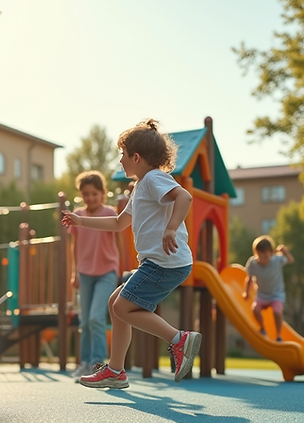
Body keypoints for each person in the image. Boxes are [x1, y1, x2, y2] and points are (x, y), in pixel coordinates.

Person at [62, 119, 201, 388]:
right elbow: (117, 223)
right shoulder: (141, 186)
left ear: (136, 157)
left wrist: (171, 228)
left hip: (165, 262)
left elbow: (185, 197)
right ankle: (116, 370)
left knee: (121, 306)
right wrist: (81, 222)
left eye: (122, 155)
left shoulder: (153, 179)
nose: (120, 160)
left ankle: (178, 339)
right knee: (117, 306)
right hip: (157, 262)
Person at [68, 170, 120, 382]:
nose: (90, 198)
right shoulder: (78, 215)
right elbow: (75, 245)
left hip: (107, 271)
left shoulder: (110, 212)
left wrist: (120, 270)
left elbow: (121, 245)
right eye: (86, 194)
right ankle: (85, 363)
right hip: (85, 273)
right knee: (84, 321)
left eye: (94, 194)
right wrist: (75, 271)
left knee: (96, 317)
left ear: (103, 194)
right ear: (81, 195)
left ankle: (98, 364)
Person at [242, 235, 294, 342]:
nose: (263, 260)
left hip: (276, 294)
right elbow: (249, 278)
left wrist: (285, 251)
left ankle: (278, 335)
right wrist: (246, 292)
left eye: (266, 257)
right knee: (255, 309)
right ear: (256, 254)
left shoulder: (277, 260)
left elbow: (291, 260)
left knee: (277, 312)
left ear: (271, 253)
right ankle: (262, 328)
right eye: (260, 257)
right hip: (262, 294)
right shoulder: (252, 263)